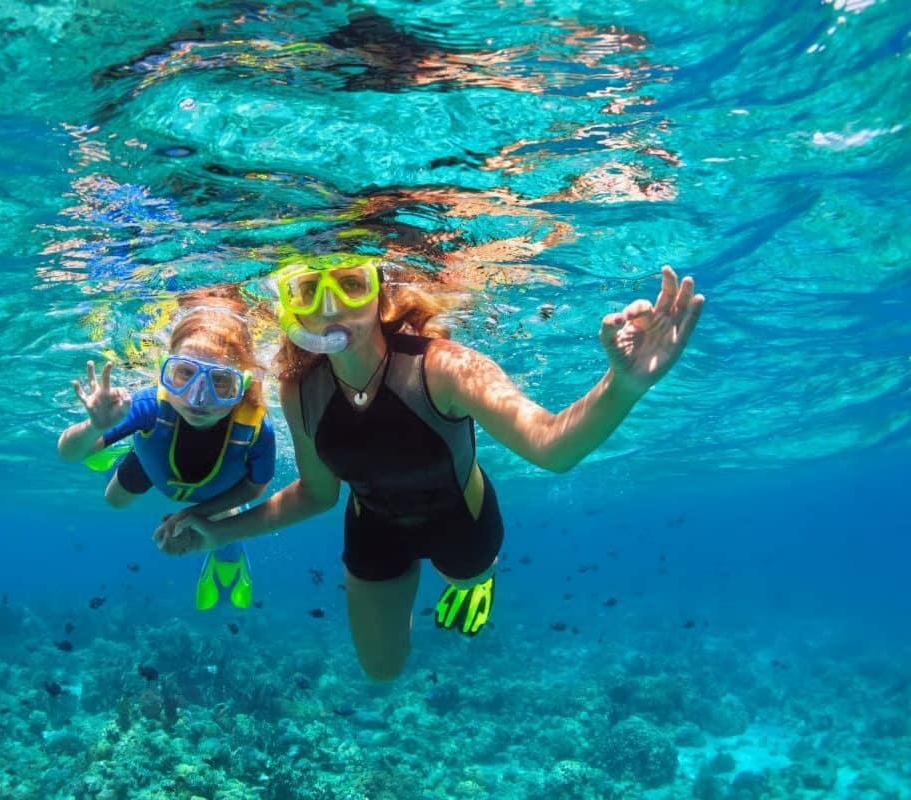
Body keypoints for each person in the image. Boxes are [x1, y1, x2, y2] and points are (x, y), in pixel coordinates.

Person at [157, 255, 703, 681]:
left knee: (467, 577)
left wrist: (623, 385)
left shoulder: (442, 366)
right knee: (381, 670)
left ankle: (475, 582)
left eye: (350, 284)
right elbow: (317, 495)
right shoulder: (299, 388)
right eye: (308, 290)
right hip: (372, 527)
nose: (330, 307)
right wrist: (216, 531)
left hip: (460, 520)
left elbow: (551, 446)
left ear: (380, 294)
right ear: (293, 307)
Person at [57, 289, 275, 611]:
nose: (199, 399)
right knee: (113, 500)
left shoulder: (256, 430)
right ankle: (117, 442)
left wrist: (194, 515)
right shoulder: (148, 405)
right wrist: (95, 427)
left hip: (216, 491)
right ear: (164, 370)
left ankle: (228, 558)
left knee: (221, 523)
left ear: (241, 386)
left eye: (221, 382)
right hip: (152, 461)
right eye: (184, 374)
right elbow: (68, 454)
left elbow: (256, 487)